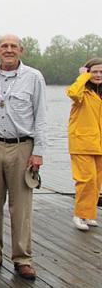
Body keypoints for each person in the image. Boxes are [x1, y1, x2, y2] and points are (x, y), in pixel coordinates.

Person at [0, 34, 46, 280]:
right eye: (4, 46)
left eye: (13, 46)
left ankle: (22, 258)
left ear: (21, 50)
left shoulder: (34, 77)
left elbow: (41, 117)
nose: (8, 50)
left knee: (21, 206)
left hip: (22, 147)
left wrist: (38, 152)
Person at [66, 58, 102, 231]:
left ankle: (88, 214)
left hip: (99, 145)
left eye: (101, 72)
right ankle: (79, 214)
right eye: (94, 71)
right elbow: (72, 92)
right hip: (82, 143)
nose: (98, 75)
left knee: (96, 181)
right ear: (87, 72)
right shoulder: (82, 93)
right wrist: (82, 77)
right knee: (85, 180)